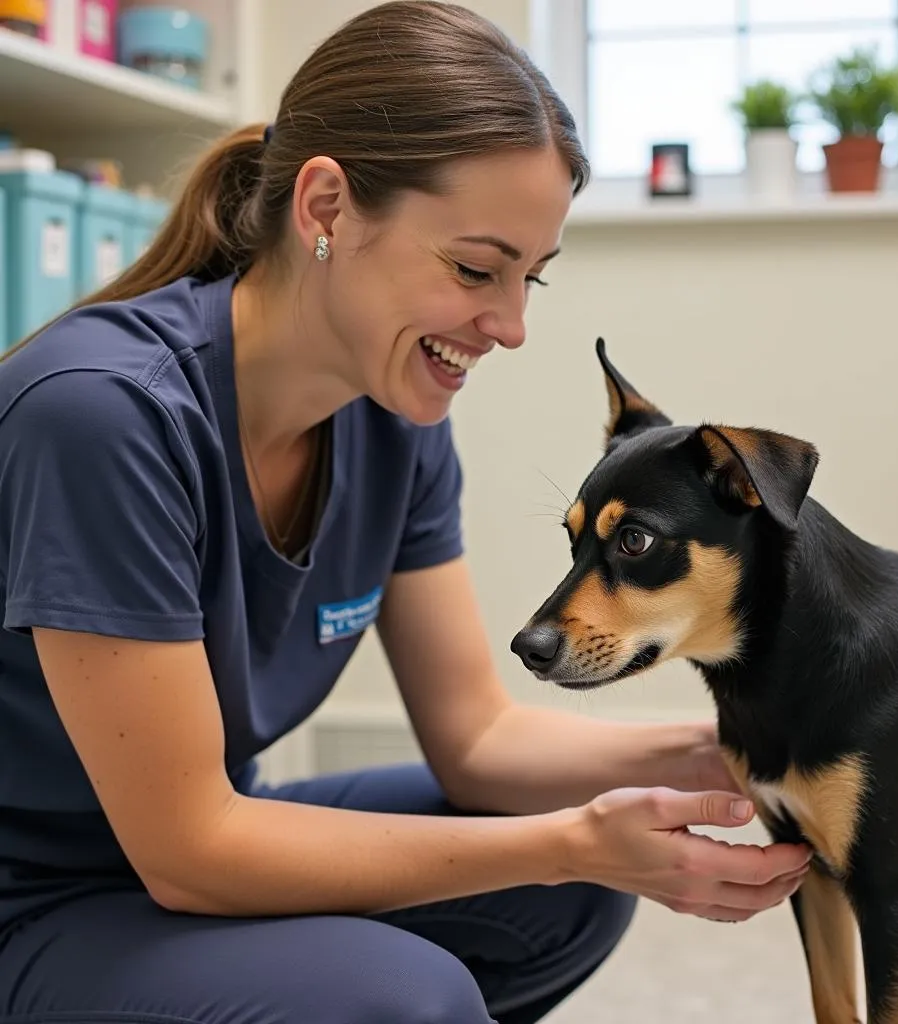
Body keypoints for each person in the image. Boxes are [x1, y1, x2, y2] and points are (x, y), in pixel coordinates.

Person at [0, 2, 813, 1021]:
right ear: (328, 208)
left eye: (530, 278)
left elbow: (472, 739)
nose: (510, 326)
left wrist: (723, 747)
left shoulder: (392, 416)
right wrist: (568, 838)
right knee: (403, 993)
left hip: (183, 844)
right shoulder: (101, 415)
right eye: (477, 269)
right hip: (38, 898)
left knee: (569, 889)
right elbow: (191, 850)